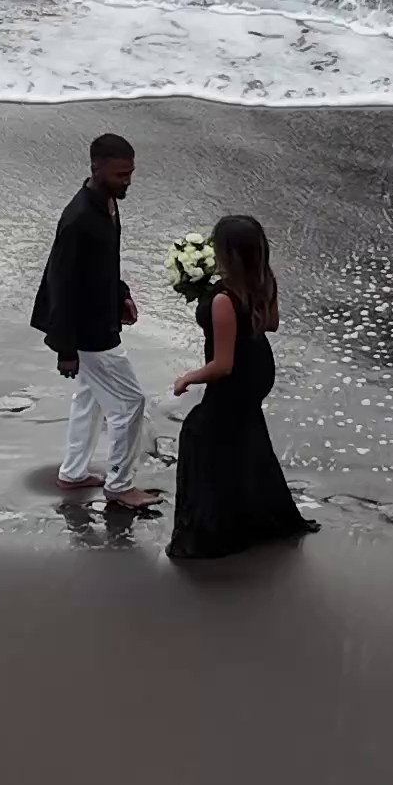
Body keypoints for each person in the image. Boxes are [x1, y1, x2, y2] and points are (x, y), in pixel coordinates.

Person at [167, 214, 314, 562]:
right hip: (260, 368)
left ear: (226, 254)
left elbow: (223, 365)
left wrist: (188, 377)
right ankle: (257, 511)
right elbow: (272, 324)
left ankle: (214, 529)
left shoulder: (224, 299)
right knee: (244, 435)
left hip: (236, 376)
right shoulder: (264, 281)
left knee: (199, 434)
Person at [31, 131, 156, 511]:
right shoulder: (79, 219)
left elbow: (105, 263)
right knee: (131, 403)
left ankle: (73, 473)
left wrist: (121, 294)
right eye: (121, 175)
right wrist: (65, 350)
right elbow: (62, 285)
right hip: (87, 331)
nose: (127, 181)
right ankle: (119, 485)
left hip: (100, 318)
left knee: (90, 399)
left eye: (131, 173)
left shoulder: (107, 204)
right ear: (96, 168)